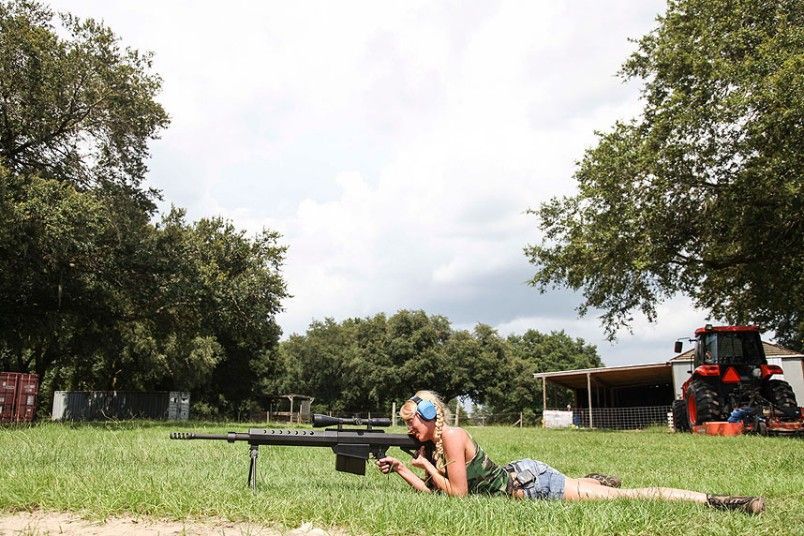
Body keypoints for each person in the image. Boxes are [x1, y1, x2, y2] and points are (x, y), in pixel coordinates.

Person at [377, 391, 764, 514]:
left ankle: (717, 501)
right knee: (594, 490)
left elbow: (459, 495)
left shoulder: (453, 436)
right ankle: (592, 480)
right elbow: (439, 493)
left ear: (431, 415)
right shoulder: (435, 447)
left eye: (412, 420)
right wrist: (404, 470)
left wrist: (427, 464)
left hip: (533, 485)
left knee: (625, 498)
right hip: (520, 479)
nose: (409, 428)